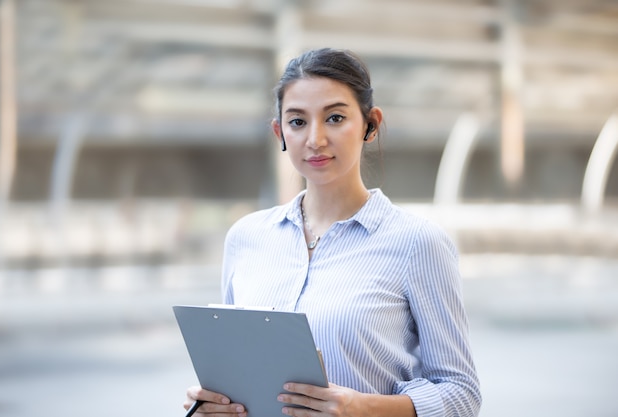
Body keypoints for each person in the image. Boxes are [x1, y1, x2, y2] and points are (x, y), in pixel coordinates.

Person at [184, 47, 481, 417]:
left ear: (370, 124)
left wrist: (363, 408)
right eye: (297, 122)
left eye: (335, 118)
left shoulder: (417, 243)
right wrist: (215, 405)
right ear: (279, 132)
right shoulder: (246, 238)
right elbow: (236, 370)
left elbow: (462, 395)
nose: (315, 139)